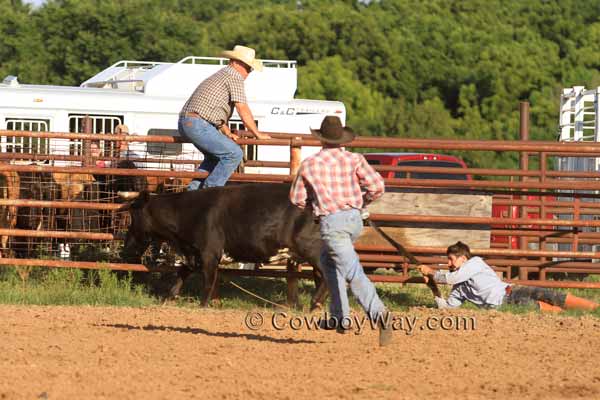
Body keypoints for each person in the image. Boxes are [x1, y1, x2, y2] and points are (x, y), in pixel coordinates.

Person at [289, 116, 393, 347]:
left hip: (332, 224)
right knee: (328, 261)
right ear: (341, 138)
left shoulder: (310, 164)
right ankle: (339, 317)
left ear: (321, 140)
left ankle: (379, 314)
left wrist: (315, 203)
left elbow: (296, 199)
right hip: (354, 220)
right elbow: (377, 187)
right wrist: (362, 201)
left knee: (351, 270)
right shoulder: (355, 159)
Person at [178, 45, 271, 190]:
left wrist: (227, 133)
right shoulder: (234, 76)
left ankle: (193, 194)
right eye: (248, 67)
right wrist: (257, 134)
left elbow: (213, 112)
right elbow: (242, 108)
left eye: (250, 68)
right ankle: (212, 192)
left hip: (191, 122)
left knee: (215, 158)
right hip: (198, 123)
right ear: (236, 62)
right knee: (234, 153)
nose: (249, 72)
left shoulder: (223, 75)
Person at [418, 241, 599, 312]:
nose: (449, 264)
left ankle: (594, 309)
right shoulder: (460, 288)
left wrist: (431, 272)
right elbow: (448, 308)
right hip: (504, 303)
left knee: (552, 296)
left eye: (451, 260)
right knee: (541, 307)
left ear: (463, 258)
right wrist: (433, 288)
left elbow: (450, 278)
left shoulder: (475, 263)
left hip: (511, 291)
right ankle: (577, 314)